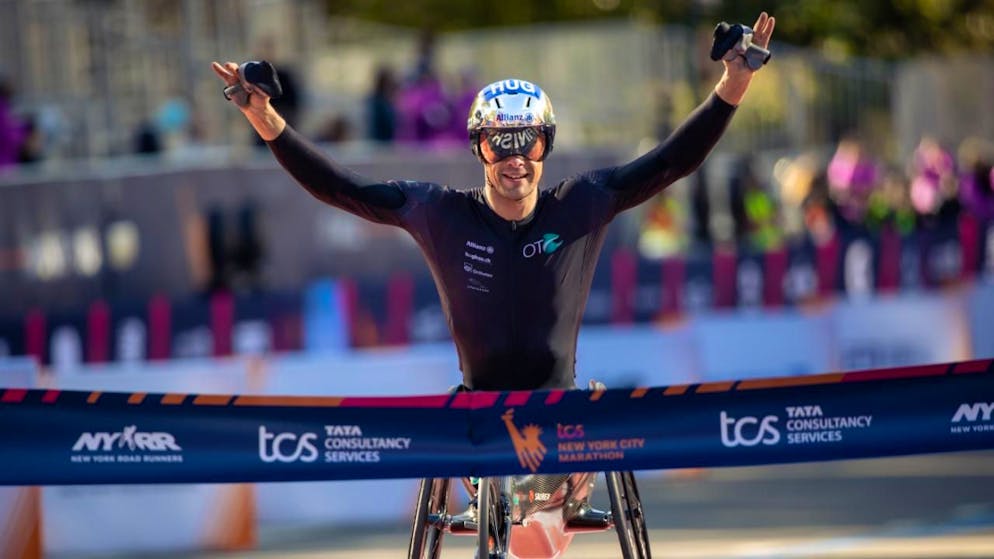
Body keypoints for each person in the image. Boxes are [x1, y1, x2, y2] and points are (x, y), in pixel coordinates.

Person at [212, 11, 775, 525]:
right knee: (513, 520)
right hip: (478, 427)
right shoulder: (438, 211)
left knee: (537, 534)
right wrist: (265, 119)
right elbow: (340, 188)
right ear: (478, 147)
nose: (514, 158)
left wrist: (734, 84)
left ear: (544, 146)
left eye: (526, 142)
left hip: (562, 426)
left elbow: (673, 159)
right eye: (499, 143)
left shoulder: (583, 202)